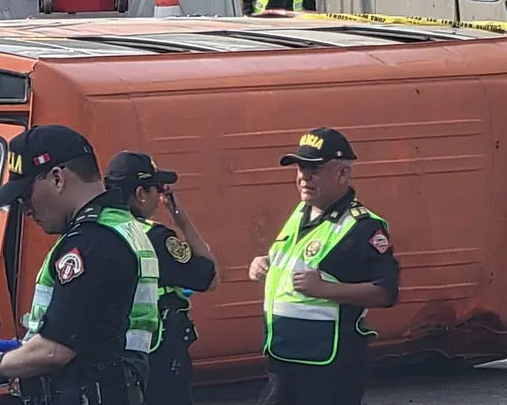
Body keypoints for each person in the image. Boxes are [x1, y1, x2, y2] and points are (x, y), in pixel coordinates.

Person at [0, 124, 160, 405]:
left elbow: (56, 350)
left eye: (26, 196)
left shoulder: (91, 242)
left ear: (58, 178)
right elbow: (95, 328)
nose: (26, 210)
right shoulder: (121, 225)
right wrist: (23, 349)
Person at [248, 128, 400, 405]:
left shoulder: (363, 227)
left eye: (315, 170)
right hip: (285, 356)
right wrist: (265, 264)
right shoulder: (301, 212)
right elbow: (295, 260)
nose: (304, 177)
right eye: (301, 168)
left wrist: (326, 289)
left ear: (342, 173)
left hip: (329, 365)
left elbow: (386, 292)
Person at [103, 151, 219, 405]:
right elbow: (209, 278)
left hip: (111, 359)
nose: (159, 197)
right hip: (158, 362)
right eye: (157, 189)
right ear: (140, 193)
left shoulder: (96, 229)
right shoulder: (154, 238)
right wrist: (181, 219)